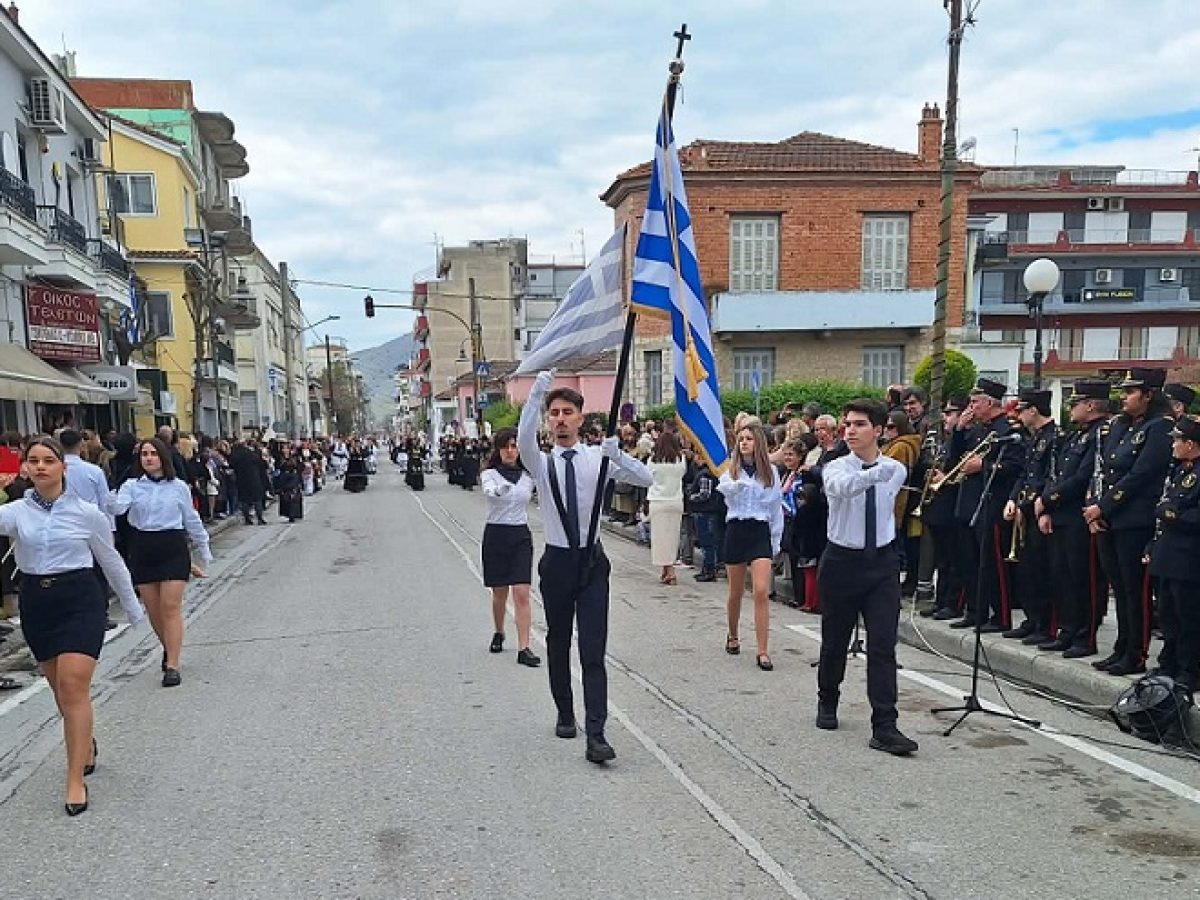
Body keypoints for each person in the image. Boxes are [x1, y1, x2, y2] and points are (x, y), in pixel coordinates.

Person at [0, 437, 143, 814]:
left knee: (72, 684)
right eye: (34, 460)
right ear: (26, 468)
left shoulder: (87, 513)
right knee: (60, 691)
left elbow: (110, 562)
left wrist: (133, 609)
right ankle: (86, 742)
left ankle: (74, 779)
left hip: (80, 598)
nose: (42, 466)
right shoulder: (15, 512)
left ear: (64, 466)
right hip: (38, 601)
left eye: (49, 460)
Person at [517, 369, 652, 764]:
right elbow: (525, 437)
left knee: (593, 648)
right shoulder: (542, 463)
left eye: (566, 412)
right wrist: (538, 390)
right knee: (559, 641)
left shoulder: (598, 457)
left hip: (592, 562)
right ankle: (564, 710)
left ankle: (597, 733)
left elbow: (645, 477)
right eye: (553, 413)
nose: (560, 418)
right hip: (558, 561)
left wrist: (618, 454)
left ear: (580, 417)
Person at [814, 399, 917, 756]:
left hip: (881, 563)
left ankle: (885, 725)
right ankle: (828, 699)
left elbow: (890, 504)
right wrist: (872, 473)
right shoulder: (835, 466)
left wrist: (882, 470)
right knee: (835, 640)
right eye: (847, 424)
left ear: (878, 429)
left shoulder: (896, 469)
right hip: (842, 560)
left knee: (883, 645)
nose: (850, 430)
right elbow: (841, 489)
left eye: (859, 424)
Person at [1085, 368, 1174, 676]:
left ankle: (1136, 652)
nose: (1123, 397)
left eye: (1130, 392)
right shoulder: (1123, 426)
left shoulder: (1160, 428)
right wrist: (1095, 508)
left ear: (1148, 395)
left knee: (1135, 589)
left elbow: (1141, 475)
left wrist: (1104, 507)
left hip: (1136, 520)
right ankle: (1122, 645)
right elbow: (1105, 469)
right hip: (1111, 518)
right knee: (1119, 587)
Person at [112, 438, 212, 688]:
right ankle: (169, 647)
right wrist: (113, 496)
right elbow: (117, 509)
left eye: (153, 454)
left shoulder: (178, 486)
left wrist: (203, 548)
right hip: (143, 546)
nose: (148, 458)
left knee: (170, 607)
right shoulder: (132, 486)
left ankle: (173, 666)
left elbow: (191, 518)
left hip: (172, 545)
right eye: (144, 454)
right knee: (154, 611)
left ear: (163, 457)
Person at [1035, 380, 1110, 658]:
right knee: (1061, 575)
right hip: (1061, 516)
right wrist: (1047, 508)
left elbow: (1082, 478)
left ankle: (1084, 636)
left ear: (1091, 405)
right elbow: (1057, 473)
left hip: (1080, 516)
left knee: (1083, 579)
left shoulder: (1100, 434)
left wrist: (1048, 501)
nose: (1070, 408)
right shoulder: (1077, 435)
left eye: (1075, 403)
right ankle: (1067, 630)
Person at [948, 378, 1024, 633]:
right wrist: (959, 430)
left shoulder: (1007, 429)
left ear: (990, 402)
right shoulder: (978, 428)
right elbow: (953, 460)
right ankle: (975, 610)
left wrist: (985, 466)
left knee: (992, 564)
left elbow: (1015, 466)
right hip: (969, 502)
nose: (971, 407)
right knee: (968, 561)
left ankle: (1001, 615)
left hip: (992, 501)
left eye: (975, 402)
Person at [719, 421, 784, 671]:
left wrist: (775, 541)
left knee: (760, 590)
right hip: (737, 529)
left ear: (758, 443)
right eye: (741, 438)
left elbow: (775, 508)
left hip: (759, 531)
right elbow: (725, 491)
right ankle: (733, 634)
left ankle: (762, 650)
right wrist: (736, 486)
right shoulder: (731, 470)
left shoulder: (770, 473)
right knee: (735, 591)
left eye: (749, 438)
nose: (744, 442)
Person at [1146, 414, 1200, 696]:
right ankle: (1169, 662)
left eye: (1177, 441)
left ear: (1191, 444)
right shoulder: (1180, 471)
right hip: (1167, 553)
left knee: (1188, 616)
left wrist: (1173, 514)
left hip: (1188, 558)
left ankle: (1189, 669)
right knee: (1167, 614)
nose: (1173, 446)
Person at [1002, 389, 1060, 647]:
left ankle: (1045, 623)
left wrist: (1044, 504)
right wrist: (1013, 499)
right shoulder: (1034, 438)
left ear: (1034, 410)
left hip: (1040, 508)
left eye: (1022, 409)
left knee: (1040, 569)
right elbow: (1025, 473)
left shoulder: (1055, 438)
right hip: (1025, 506)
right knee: (1026, 569)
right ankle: (1031, 618)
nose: (1018, 415)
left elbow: (1052, 476)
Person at [480, 427, 540, 667]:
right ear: (499, 449)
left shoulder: (528, 476)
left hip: (520, 535)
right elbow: (489, 492)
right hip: (496, 534)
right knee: (499, 592)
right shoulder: (490, 474)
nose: (510, 451)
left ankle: (524, 647)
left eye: (514, 446)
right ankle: (499, 630)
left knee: (522, 593)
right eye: (505, 446)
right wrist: (499, 490)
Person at [919, 395, 968, 621]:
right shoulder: (946, 440)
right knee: (942, 559)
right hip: (939, 506)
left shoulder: (963, 437)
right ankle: (941, 601)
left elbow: (957, 468)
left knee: (954, 558)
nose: (945, 418)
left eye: (950, 413)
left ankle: (952, 602)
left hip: (952, 505)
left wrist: (944, 476)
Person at [647, 431, 687, 585]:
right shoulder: (680, 459)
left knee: (660, 538)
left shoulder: (653, 460)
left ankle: (670, 570)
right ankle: (666, 568)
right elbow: (683, 474)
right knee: (672, 536)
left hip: (658, 500)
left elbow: (648, 477)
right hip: (676, 499)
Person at [230, 440, 268, 524]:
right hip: (255, 478)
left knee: (244, 500)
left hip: (242, 479)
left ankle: (247, 519)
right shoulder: (252, 454)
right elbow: (262, 465)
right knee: (257, 499)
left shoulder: (235, 455)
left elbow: (231, 466)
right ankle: (260, 518)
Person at [275, 456, 304, 522]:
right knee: (291, 500)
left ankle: (292, 515)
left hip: (290, 483)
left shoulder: (293, 465)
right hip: (290, 483)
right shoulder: (285, 467)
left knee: (291, 500)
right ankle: (292, 515)